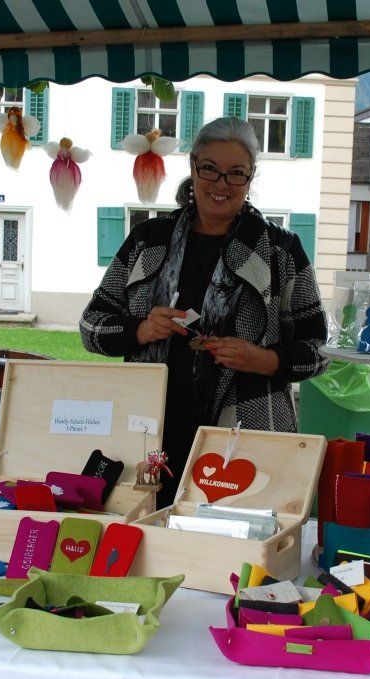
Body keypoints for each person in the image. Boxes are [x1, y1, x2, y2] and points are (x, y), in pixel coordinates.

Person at [80, 117, 329, 507]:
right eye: (210, 168)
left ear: (251, 178)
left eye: (236, 173)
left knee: (228, 538)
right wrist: (141, 329)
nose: (221, 184)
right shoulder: (148, 239)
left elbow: (319, 350)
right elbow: (90, 327)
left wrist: (265, 360)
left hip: (245, 433)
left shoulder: (280, 250)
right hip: (148, 431)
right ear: (193, 167)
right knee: (144, 530)